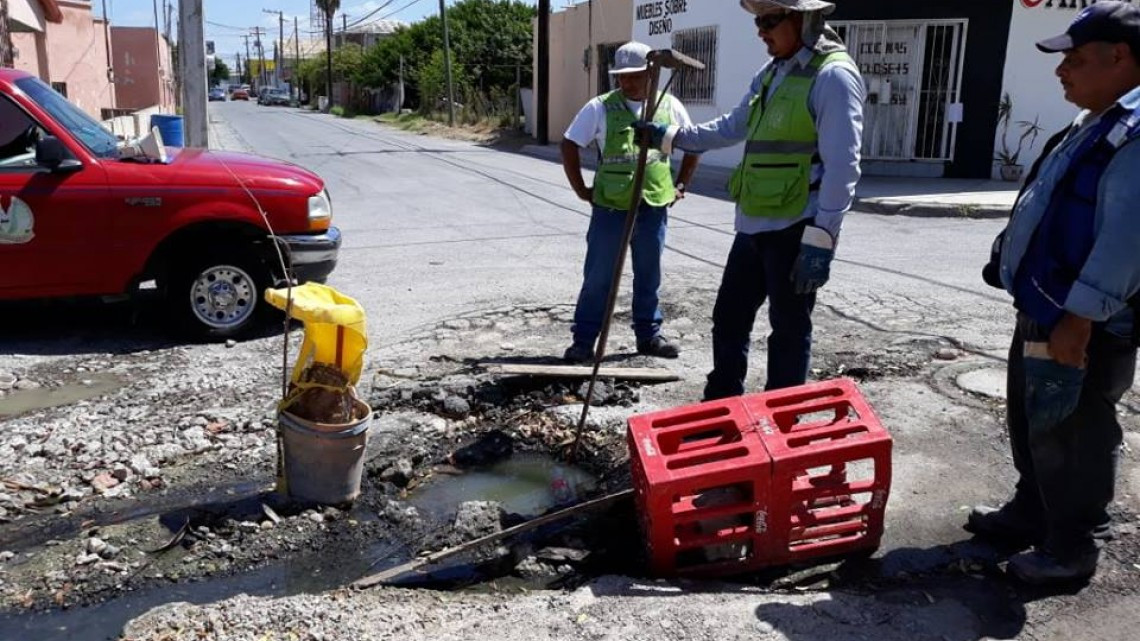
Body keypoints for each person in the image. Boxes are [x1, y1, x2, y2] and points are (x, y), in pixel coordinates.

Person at [970, 1, 1140, 585]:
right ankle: (1032, 510)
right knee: (1033, 415)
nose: (1060, 70)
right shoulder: (1099, 117)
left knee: (1077, 428)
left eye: (1074, 58)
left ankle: (1071, 548)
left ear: (1119, 57)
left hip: (1084, 320)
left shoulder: (1136, 130)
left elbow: (1126, 238)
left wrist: (1080, 319)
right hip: (1049, 305)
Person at [636, 0, 864, 399]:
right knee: (729, 319)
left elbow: (843, 167)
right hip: (754, 223)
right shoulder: (771, 73)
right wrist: (669, 137)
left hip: (797, 226)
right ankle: (722, 406)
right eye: (758, 20)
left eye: (770, 20)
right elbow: (732, 126)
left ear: (803, 18)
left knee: (789, 329)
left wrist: (822, 240)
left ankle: (783, 415)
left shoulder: (834, 77)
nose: (760, 30)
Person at [560, 41, 701, 363]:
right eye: (622, 76)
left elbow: (693, 146)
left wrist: (681, 185)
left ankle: (648, 336)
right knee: (599, 276)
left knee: (649, 273)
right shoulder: (600, 107)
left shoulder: (670, 106)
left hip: (653, 207)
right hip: (611, 207)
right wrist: (582, 190)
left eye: (635, 76)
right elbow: (569, 145)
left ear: (651, 73)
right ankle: (583, 341)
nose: (627, 82)